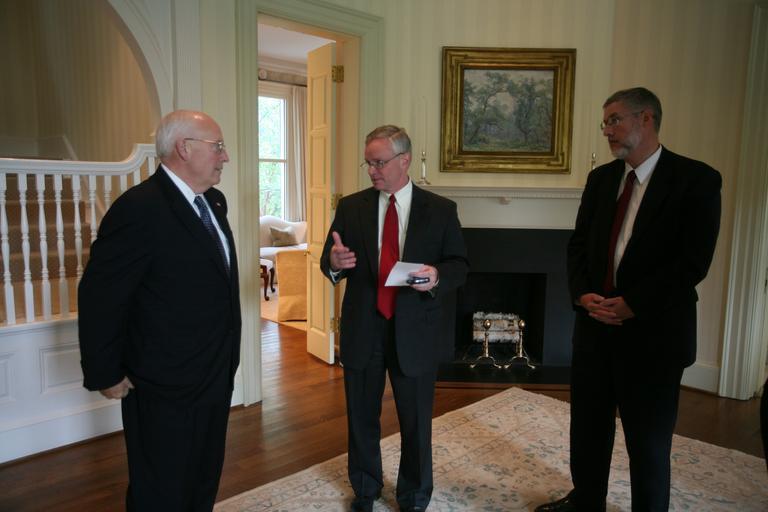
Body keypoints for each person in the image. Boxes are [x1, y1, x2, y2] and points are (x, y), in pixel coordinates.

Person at [535, 88, 721, 512]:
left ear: (646, 119)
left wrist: (634, 303)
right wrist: (582, 294)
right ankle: (587, 502)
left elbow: (692, 262)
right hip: (595, 327)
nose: (607, 130)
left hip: (654, 333)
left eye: (615, 120)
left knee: (648, 440)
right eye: (605, 122)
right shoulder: (601, 179)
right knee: (588, 428)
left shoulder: (697, 180)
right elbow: (578, 245)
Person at [78, 110, 240, 511]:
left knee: (204, 476)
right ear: (184, 148)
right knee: (160, 489)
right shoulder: (138, 208)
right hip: (162, 382)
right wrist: (105, 372)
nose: (225, 156)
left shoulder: (213, 201)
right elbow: (100, 296)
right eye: (218, 146)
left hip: (215, 370)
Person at [320, 125, 468, 512]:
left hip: (415, 331)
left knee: (416, 421)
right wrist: (334, 263)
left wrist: (436, 275)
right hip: (363, 327)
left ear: (404, 160)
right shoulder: (351, 207)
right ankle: (365, 490)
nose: (371, 171)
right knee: (361, 417)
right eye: (368, 163)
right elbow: (329, 258)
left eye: (379, 162)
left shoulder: (441, 210)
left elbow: (459, 265)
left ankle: (414, 496)